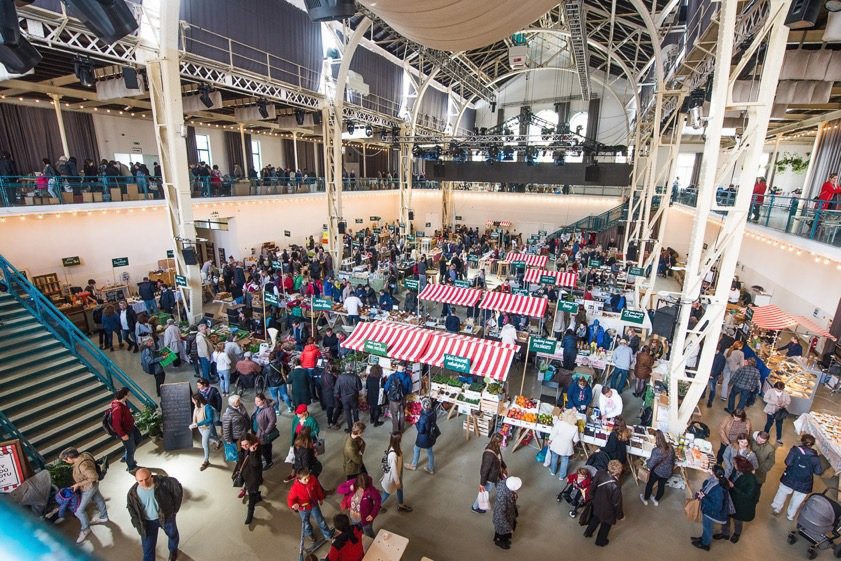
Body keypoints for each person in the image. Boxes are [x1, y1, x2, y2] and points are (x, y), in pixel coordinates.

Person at [126, 468, 183, 561]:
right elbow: (132, 510)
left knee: (173, 535)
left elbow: (177, 492)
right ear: (136, 480)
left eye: (146, 479)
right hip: (148, 523)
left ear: (151, 475)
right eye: (140, 481)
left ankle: (173, 550)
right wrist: (138, 525)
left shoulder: (166, 483)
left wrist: (174, 510)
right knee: (148, 551)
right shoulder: (132, 493)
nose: (144, 483)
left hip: (166, 517)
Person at [58, 447, 108, 544]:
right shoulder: (86, 454)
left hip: (88, 487)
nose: (66, 462)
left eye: (65, 460)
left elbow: (94, 476)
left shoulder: (82, 465)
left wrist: (78, 484)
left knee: (78, 510)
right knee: (98, 498)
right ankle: (104, 516)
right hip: (93, 485)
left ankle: (85, 529)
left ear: (69, 458)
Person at [771, 433, 824, 521]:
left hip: (790, 477)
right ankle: (790, 515)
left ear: (802, 441)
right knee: (797, 499)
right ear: (812, 445)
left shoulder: (795, 450)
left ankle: (777, 508)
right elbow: (818, 472)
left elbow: (788, 462)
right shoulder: (815, 457)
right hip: (805, 482)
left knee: (782, 492)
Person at [715, 456, 759, 543]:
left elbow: (748, 495)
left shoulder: (751, 479)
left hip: (740, 504)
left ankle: (736, 534)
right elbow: (731, 478)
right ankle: (725, 533)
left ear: (741, 466)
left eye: (735, 463)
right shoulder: (736, 470)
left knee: (737, 520)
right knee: (726, 516)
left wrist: (733, 486)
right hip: (730, 498)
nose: (733, 464)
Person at [583, 460, 624, 547]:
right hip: (608, 510)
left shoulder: (600, 473)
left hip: (597, 502)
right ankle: (600, 541)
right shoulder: (616, 486)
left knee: (595, 518)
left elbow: (593, 486)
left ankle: (588, 532)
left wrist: (591, 497)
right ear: (619, 472)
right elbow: (617, 503)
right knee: (606, 525)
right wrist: (620, 515)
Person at [288, 468, 334, 543]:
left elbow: (318, 489)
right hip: (303, 508)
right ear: (299, 479)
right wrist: (293, 505)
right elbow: (290, 499)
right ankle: (309, 533)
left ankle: (328, 535)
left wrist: (321, 498)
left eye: (308, 477)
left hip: (313, 504)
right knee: (305, 522)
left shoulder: (313, 479)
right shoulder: (295, 488)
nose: (308, 480)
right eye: (305, 479)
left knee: (320, 520)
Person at [692, 465, 730, 551]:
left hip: (711, 513)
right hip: (708, 509)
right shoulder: (715, 481)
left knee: (707, 528)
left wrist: (703, 497)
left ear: (715, 474)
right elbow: (707, 487)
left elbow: (717, 507)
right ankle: (703, 538)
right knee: (706, 527)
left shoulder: (719, 490)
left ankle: (705, 544)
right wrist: (702, 493)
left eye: (712, 471)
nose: (710, 471)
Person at [337, 473, 381, 539]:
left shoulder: (371, 490)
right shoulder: (353, 483)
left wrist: (372, 514)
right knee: (358, 532)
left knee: (368, 533)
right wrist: (349, 488)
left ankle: (372, 541)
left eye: (364, 488)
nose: (362, 490)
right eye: (361, 487)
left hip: (366, 519)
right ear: (357, 484)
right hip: (354, 517)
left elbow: (378, 500)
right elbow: (339, 489)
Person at [472, 433, 506, 514]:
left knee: (499, 487)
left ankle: (502, 499)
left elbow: (499, 458)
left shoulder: (496, 448)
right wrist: (482, 484)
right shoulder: (488, 455)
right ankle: (475, 507)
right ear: (497, 442)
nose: (502, 443)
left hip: (496, 474)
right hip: (490, 478)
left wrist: (504, 467)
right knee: (484, 491)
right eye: (501, 442)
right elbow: (484, 471)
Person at [234, 433, 264, 525]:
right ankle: (258, 496)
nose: (244, 447)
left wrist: (252, 452)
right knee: (252, 490)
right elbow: (240, 462)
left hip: (253, 476)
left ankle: (250, 514)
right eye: (242, 445)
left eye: (246, 444)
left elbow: (255, 464)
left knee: (251, 494)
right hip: (245, 474)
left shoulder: (257, 449)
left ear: (251, 442)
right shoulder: (242, 449)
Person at [286, 404, 320, 483]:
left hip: (305, 444)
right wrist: (292, 443)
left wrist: (306, 435)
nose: (297, 415)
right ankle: (293, 473)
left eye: (299, 413)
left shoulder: (311, 420)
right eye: (297, 413)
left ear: (305, 412)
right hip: (297, 443)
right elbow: (293, 430)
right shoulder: (296, 419)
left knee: (305, 460)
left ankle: (304, 475)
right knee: (295, 459)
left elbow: (316, 431)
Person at [640, 430, 675, 506]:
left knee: (650, 484)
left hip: (657, 472)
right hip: (668, 472)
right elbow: (673, 460)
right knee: (661, 486)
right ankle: (656, 500)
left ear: (656, 439)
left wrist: (647, 462)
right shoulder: (671, 447)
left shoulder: (656, 450)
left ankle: (645, 499)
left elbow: (650, 465)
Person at [380, 431, 412, 512]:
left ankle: (400, 505)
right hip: (393, 478)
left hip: (397, 476)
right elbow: (394, 471)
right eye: (401, 438)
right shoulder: (393, 454)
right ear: (398, 440)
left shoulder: (394, 447)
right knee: (387, 493)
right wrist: (397, 482)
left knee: (400, 489)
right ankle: (376, 507)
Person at [110, 388, 141, 472]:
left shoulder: (124, 402)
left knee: (138, 438)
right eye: (128, 393)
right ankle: (131, 466)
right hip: (126, 432)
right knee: (130, 449)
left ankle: (126, 456)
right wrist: (123, 435)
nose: (129, 395)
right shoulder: (117, 408)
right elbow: (116, 424)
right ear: (124, 395)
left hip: (131, 427)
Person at [189, 393, 220, 471]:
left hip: (207, 428)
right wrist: (194, 424)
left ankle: (206, 460)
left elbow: (209, 420)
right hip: (200, 428)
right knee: (209, 439)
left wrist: (197, 424)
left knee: (204, 443)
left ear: (196, 400)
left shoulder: (207, 407)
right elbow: (195, 417)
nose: (192, 402)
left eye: (193, 400)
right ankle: (218, 441)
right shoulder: (197, 407)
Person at [406, 398, 437, 474]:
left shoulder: (423, 417)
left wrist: (416, 423)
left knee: (416, 449)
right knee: (430, 452)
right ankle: (430, 468)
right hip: (430, 435)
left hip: (423, 438)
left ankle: (413, 465)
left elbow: (421, 430)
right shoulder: (433, 412)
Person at [547, 408, 580, 480]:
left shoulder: (559, 423)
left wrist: (550, 440)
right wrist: (574, 444)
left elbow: (553, 433)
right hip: (566, 447)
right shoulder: (575, 428)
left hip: (556, 444)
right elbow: (576, 440)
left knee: (554, 457)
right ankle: (561, 476)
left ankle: (553, 471)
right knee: (565, 460)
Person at [493, 476, 521, 550]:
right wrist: (509, 528)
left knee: (502, 532)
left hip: (508, 514)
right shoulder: (502, 499)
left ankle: (500, 538)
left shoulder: (504, 483)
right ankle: (500, 542)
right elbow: (501, 516)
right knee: (503, 534)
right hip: (503, 521)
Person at [253, 393, 278, 469]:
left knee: (265, 447)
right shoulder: (258, 407)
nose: (256, 403)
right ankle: (266, 457)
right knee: (262, 447)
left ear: (263, 400)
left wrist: (266, 432)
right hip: (257, 432)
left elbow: (272, 421)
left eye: (258, 401)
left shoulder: (269, 409)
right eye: (255, 401)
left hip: (263, 433)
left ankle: (269, 462)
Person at [763, 381, 791, 445]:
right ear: (774, 387)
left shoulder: (785, 393)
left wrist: (784, 404)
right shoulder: (770, 391)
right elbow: (765, 399)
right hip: (770, 410)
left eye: (780, 390)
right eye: (777, 390)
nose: (779, 391)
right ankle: (764, 435)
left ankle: (778, 438)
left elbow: (788, 401)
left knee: (779, 425)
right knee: (769, 423)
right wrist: (774, 403)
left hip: (780, 412)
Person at [335, 368, 363, 433]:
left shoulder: (340, 377)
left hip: (344, 398)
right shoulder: (355, 377)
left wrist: (338, 397)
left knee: (348, 414)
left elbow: (336, 389)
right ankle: (357, 428)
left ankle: (350, 428)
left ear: (345, 370)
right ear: (351, 370)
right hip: (354, 397)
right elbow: (360, 388)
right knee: (355, 412)